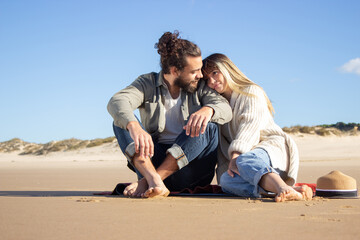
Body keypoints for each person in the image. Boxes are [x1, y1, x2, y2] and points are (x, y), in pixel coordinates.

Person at [107, 32, 232, 198]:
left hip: (192, 171)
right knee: (120, 122)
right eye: (194, 71)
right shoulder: (147, 83)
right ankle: (154, 178)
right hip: (154, 160)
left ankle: (150, 181)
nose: (201, 75)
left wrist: (209, 110)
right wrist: (134, 126)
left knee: (209, 126)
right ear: (175, 71)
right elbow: (117, 101)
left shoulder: (199, 86)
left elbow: (225, 108)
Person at [202, 53, 313, 202]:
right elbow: (223, 148)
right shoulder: (220, 107)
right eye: (207, 79)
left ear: (227, 68)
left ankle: (283, 188)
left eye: (215, 73)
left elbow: (249, 127)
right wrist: (226, 172)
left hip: (270, 150)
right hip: (247, 167)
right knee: (225, 182)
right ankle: (288, 191)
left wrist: (235, 157)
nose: (212, 81)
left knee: (244, 159)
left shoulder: (251, 91)